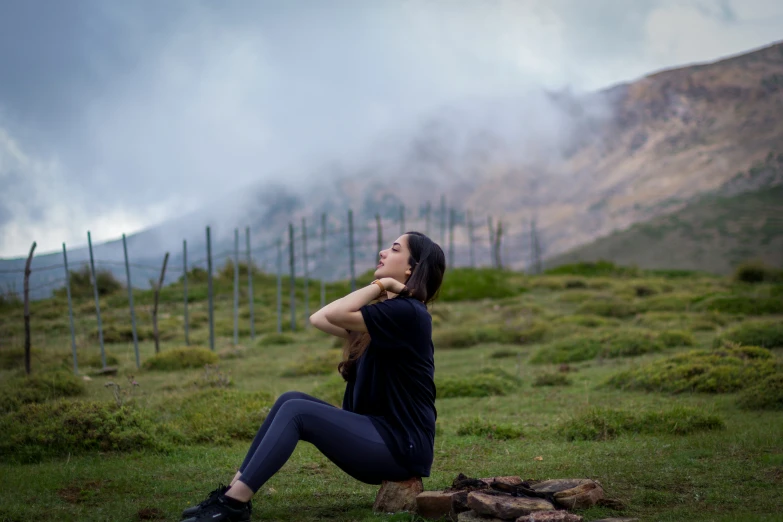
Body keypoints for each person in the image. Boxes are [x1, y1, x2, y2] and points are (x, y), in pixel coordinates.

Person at [180, 231, 446, 522]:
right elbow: (319, 318)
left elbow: (335, 312)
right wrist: (386, 290)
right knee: (289, 399)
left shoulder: (410, 313)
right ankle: (231, 495)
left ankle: (232, 505)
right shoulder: (391, 314)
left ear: (411, 268)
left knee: (298, 411)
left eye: (394, 249)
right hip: (377, 436)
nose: (383, 252)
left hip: (399, 446)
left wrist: (381, 285)